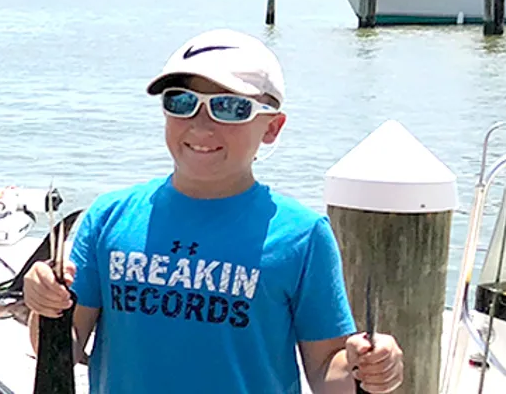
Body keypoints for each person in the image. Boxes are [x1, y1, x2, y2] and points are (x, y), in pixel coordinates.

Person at [21, 29, 405, 393]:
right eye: (182, 102)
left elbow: (326, 369)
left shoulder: (303, 235)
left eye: (230, 107)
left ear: (272, 127)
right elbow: (60, 348)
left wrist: (368, 367)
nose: (201, 125)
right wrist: (45, 305)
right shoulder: (109, 216)